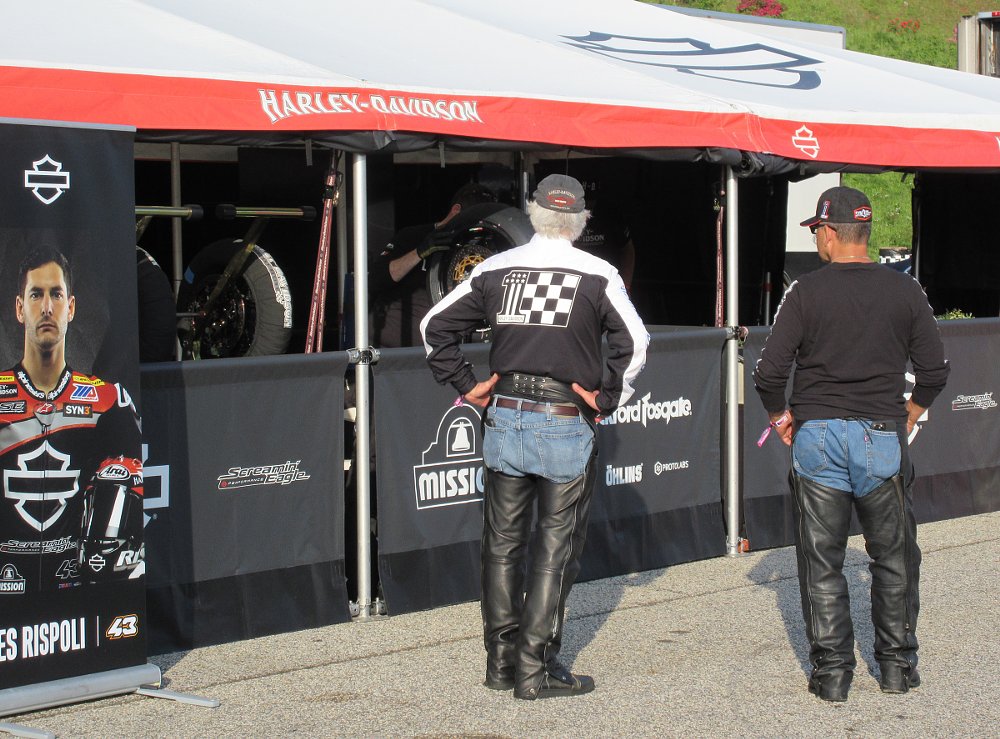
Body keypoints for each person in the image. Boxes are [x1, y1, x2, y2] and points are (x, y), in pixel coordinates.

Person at [420, 174, 648, 700]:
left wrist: (467, 386)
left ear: (532, 212)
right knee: (554, 548)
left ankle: (502, 664)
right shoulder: (597, 273)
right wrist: (608, 398)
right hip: (563, 417)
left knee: (502, 545)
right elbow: (635, 344)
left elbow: (434, 327)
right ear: (581, 220)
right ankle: (534, 668)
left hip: (505, 415)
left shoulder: (496, 268)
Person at [752, 186, 949, 702]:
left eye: (817, 231)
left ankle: (833, 675)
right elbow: (935, 370)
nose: (816, 240)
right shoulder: (906, 290)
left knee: (822, 561)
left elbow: (768, 373)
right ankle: (897, 668)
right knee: (895, 557)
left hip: (817, 435)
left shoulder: (804, 291)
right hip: (880, 434)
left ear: (830, 233)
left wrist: (779, 417)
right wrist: (908, 413)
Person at [0, 246, 144, 591]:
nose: (47, 308)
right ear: (19, 308)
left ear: (71, 307)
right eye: (36, 294)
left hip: (80, 587)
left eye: (56, 294)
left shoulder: (107, 400)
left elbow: (136, 482)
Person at [370, 182, 497, 348]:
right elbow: (376, 279)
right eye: (473, 218)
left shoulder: (483, 246)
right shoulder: (413, 235)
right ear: (456, 210)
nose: (476, 225)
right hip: (397, 342)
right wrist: (420, 252)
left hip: (446, 344)